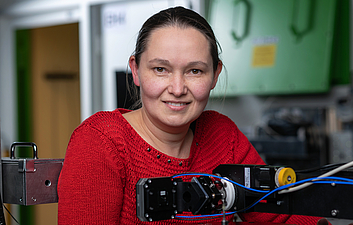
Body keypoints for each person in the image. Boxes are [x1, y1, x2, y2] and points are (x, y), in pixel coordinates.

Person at [58, 6, 325, 224]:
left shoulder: (222, 135)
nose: (177, 89)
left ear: (215, 75)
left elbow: (276, 216)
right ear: (136, 71)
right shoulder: (101, 142)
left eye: (194, 71)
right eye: (160, 69)